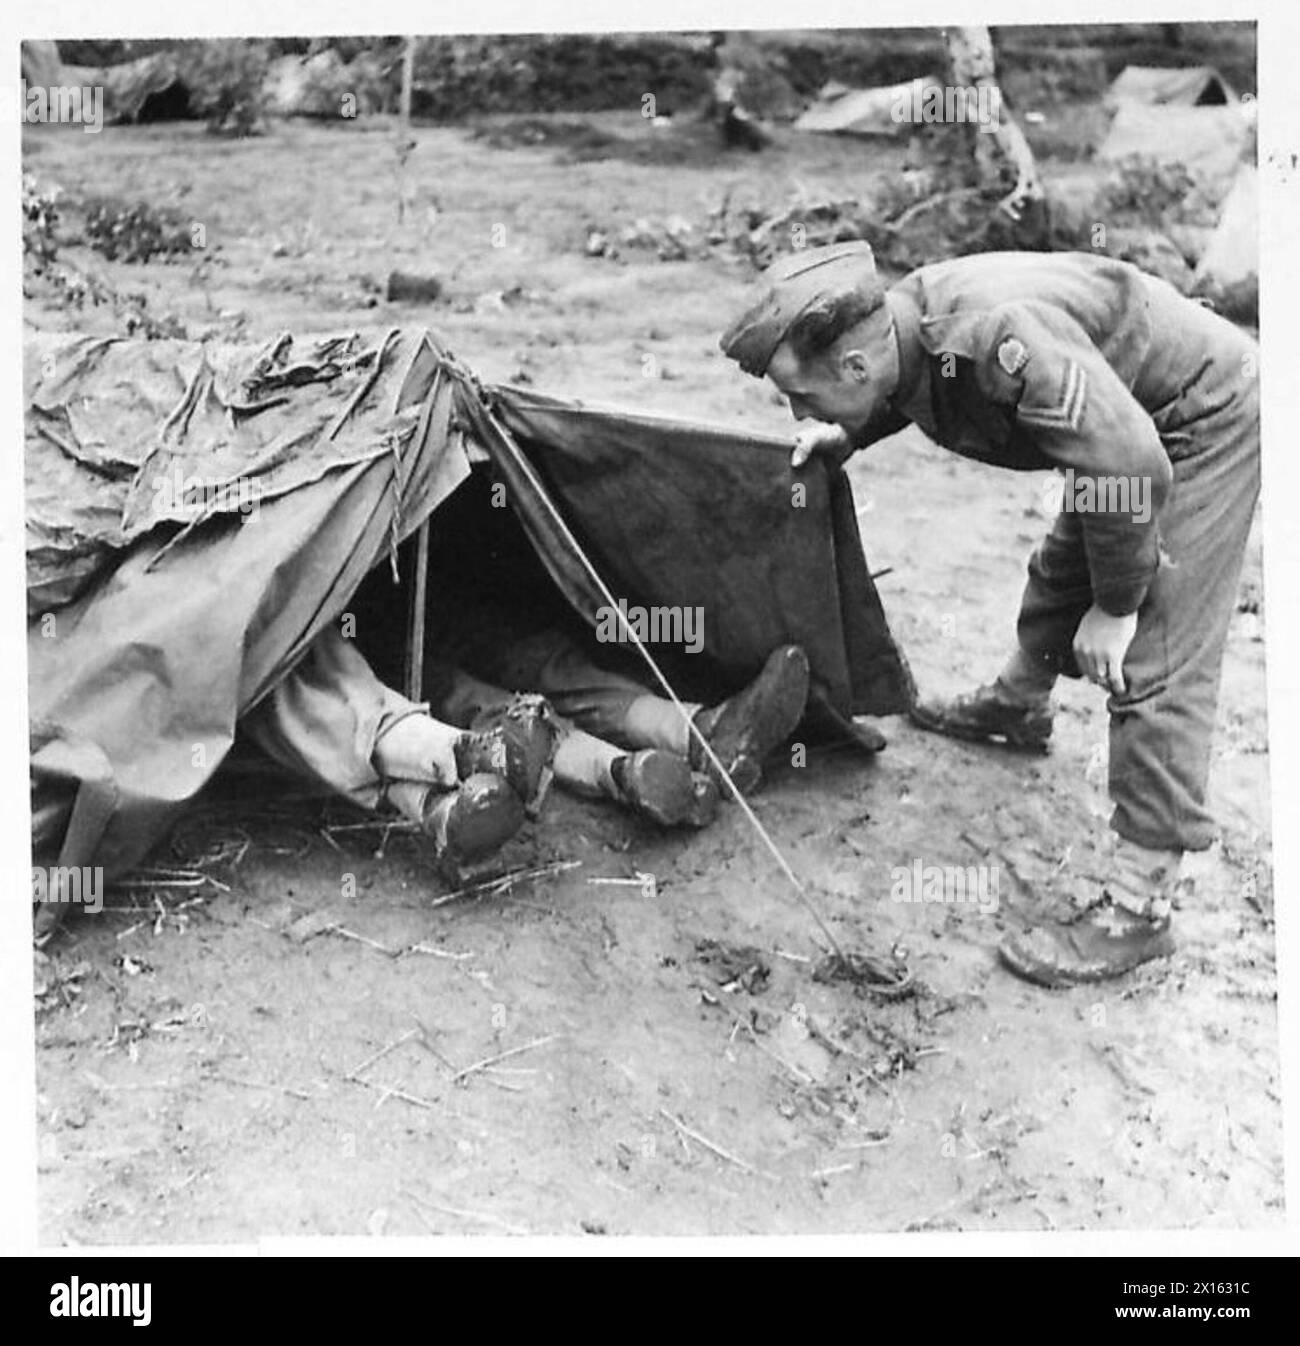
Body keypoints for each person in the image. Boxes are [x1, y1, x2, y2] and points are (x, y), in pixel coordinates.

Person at [719, 241, 1260, 987]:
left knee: (1155, 653)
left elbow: (1130, 468)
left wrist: (1116, 606)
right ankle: (1018, 706)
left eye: (802, 399)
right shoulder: (901, 326)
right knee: (1066, 564)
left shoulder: (1003, 339)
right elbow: (912, 385)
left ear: (852, 369)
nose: (795, 413)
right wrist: (845, 432)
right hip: (1121, 420)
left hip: (1198, 418)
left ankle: (1141, 910)